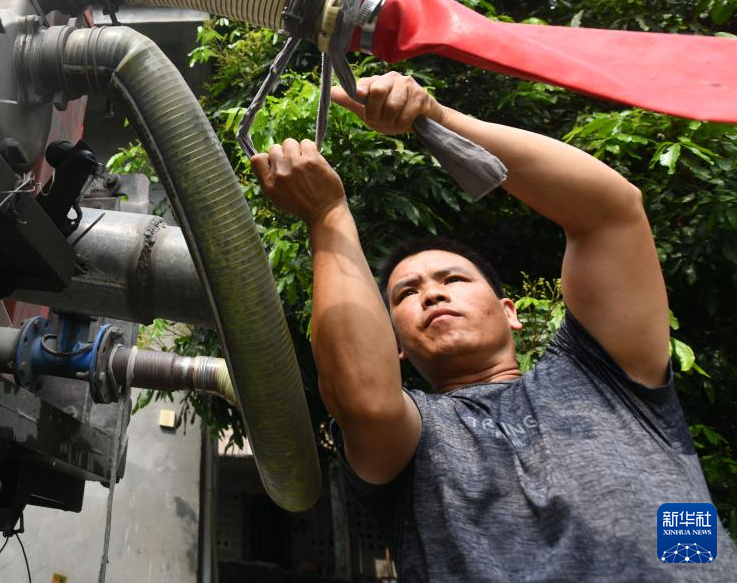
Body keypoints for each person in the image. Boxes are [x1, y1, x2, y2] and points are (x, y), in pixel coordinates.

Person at [250, 72, 735, 581]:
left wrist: (437, 120)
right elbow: (364, 399)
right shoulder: (411, 437)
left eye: (452, 278)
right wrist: (327, 213)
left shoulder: (609, 378)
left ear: (509, 311)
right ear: (393, 349)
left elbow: (610, 213)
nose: (431, 293)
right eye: (406, 294)